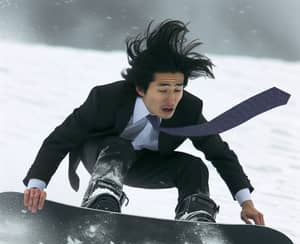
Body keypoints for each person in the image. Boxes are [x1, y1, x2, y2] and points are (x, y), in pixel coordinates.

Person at [23, 20, 264, 225]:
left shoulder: (189, 109)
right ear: (141, 89)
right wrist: (37, 183)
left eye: (177, 89)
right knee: (120, 147)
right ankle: (103, 197)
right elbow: (61, 138)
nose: (172, 99)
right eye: (163, 89)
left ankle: (195, 216)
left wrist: (246, 202)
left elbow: (219, 153)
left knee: (193, 167)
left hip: (146, 166)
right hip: (100, 156)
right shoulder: (106, 99)